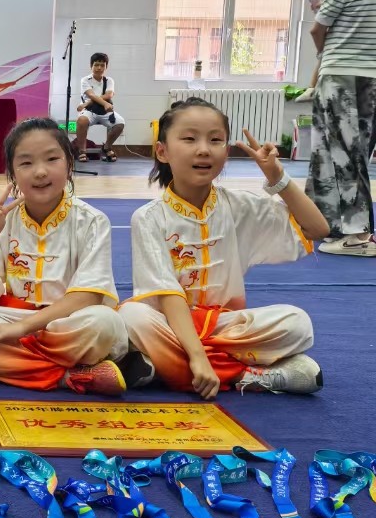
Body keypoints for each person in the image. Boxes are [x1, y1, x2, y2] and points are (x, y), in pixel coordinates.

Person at [120, 98, 329, 397]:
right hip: (167, 321)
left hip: (225, 326)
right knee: (133, 318)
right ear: (162, 151)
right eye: (189, 139)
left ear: (226, 152)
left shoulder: (241, 207)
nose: (204, 149)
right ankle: (246, 374)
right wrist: (197, 355)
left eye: (215, 140)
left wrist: (277, 176)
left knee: (298, 323)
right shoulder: (149, 218)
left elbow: (317, 229)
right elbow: (167, 295)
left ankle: (165, 367)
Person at [0, 118, 133, 395]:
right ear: (12, 173)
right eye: (26, 163)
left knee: (104, 323)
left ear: (69, 164)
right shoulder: (2, 221)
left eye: (52, 159)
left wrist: (22, 329)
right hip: (10, 317)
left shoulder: (92, 221)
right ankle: (68, 375)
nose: (40, 172)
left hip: (65, 323)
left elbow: (87, 296)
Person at [306, 0, 376, 256]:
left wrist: (325, 52)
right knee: (356, 153)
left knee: (340, 154)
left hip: (342, 77)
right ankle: (329, 224)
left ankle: (357, 235)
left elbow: (318, 30)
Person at [76, 53, 125, 162]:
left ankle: (107, 147)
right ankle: (82, 151)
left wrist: (86, 103)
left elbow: (109, 95)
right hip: (89, 111)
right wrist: (104, 103)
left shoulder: (109, 80)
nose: (99, 68)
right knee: (81, 120)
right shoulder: (85, 80)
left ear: (106, 67)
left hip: (104, 111)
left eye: (102, 65)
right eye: (96, 65)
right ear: (91, 66)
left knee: (120, 123)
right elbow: (91, 95)